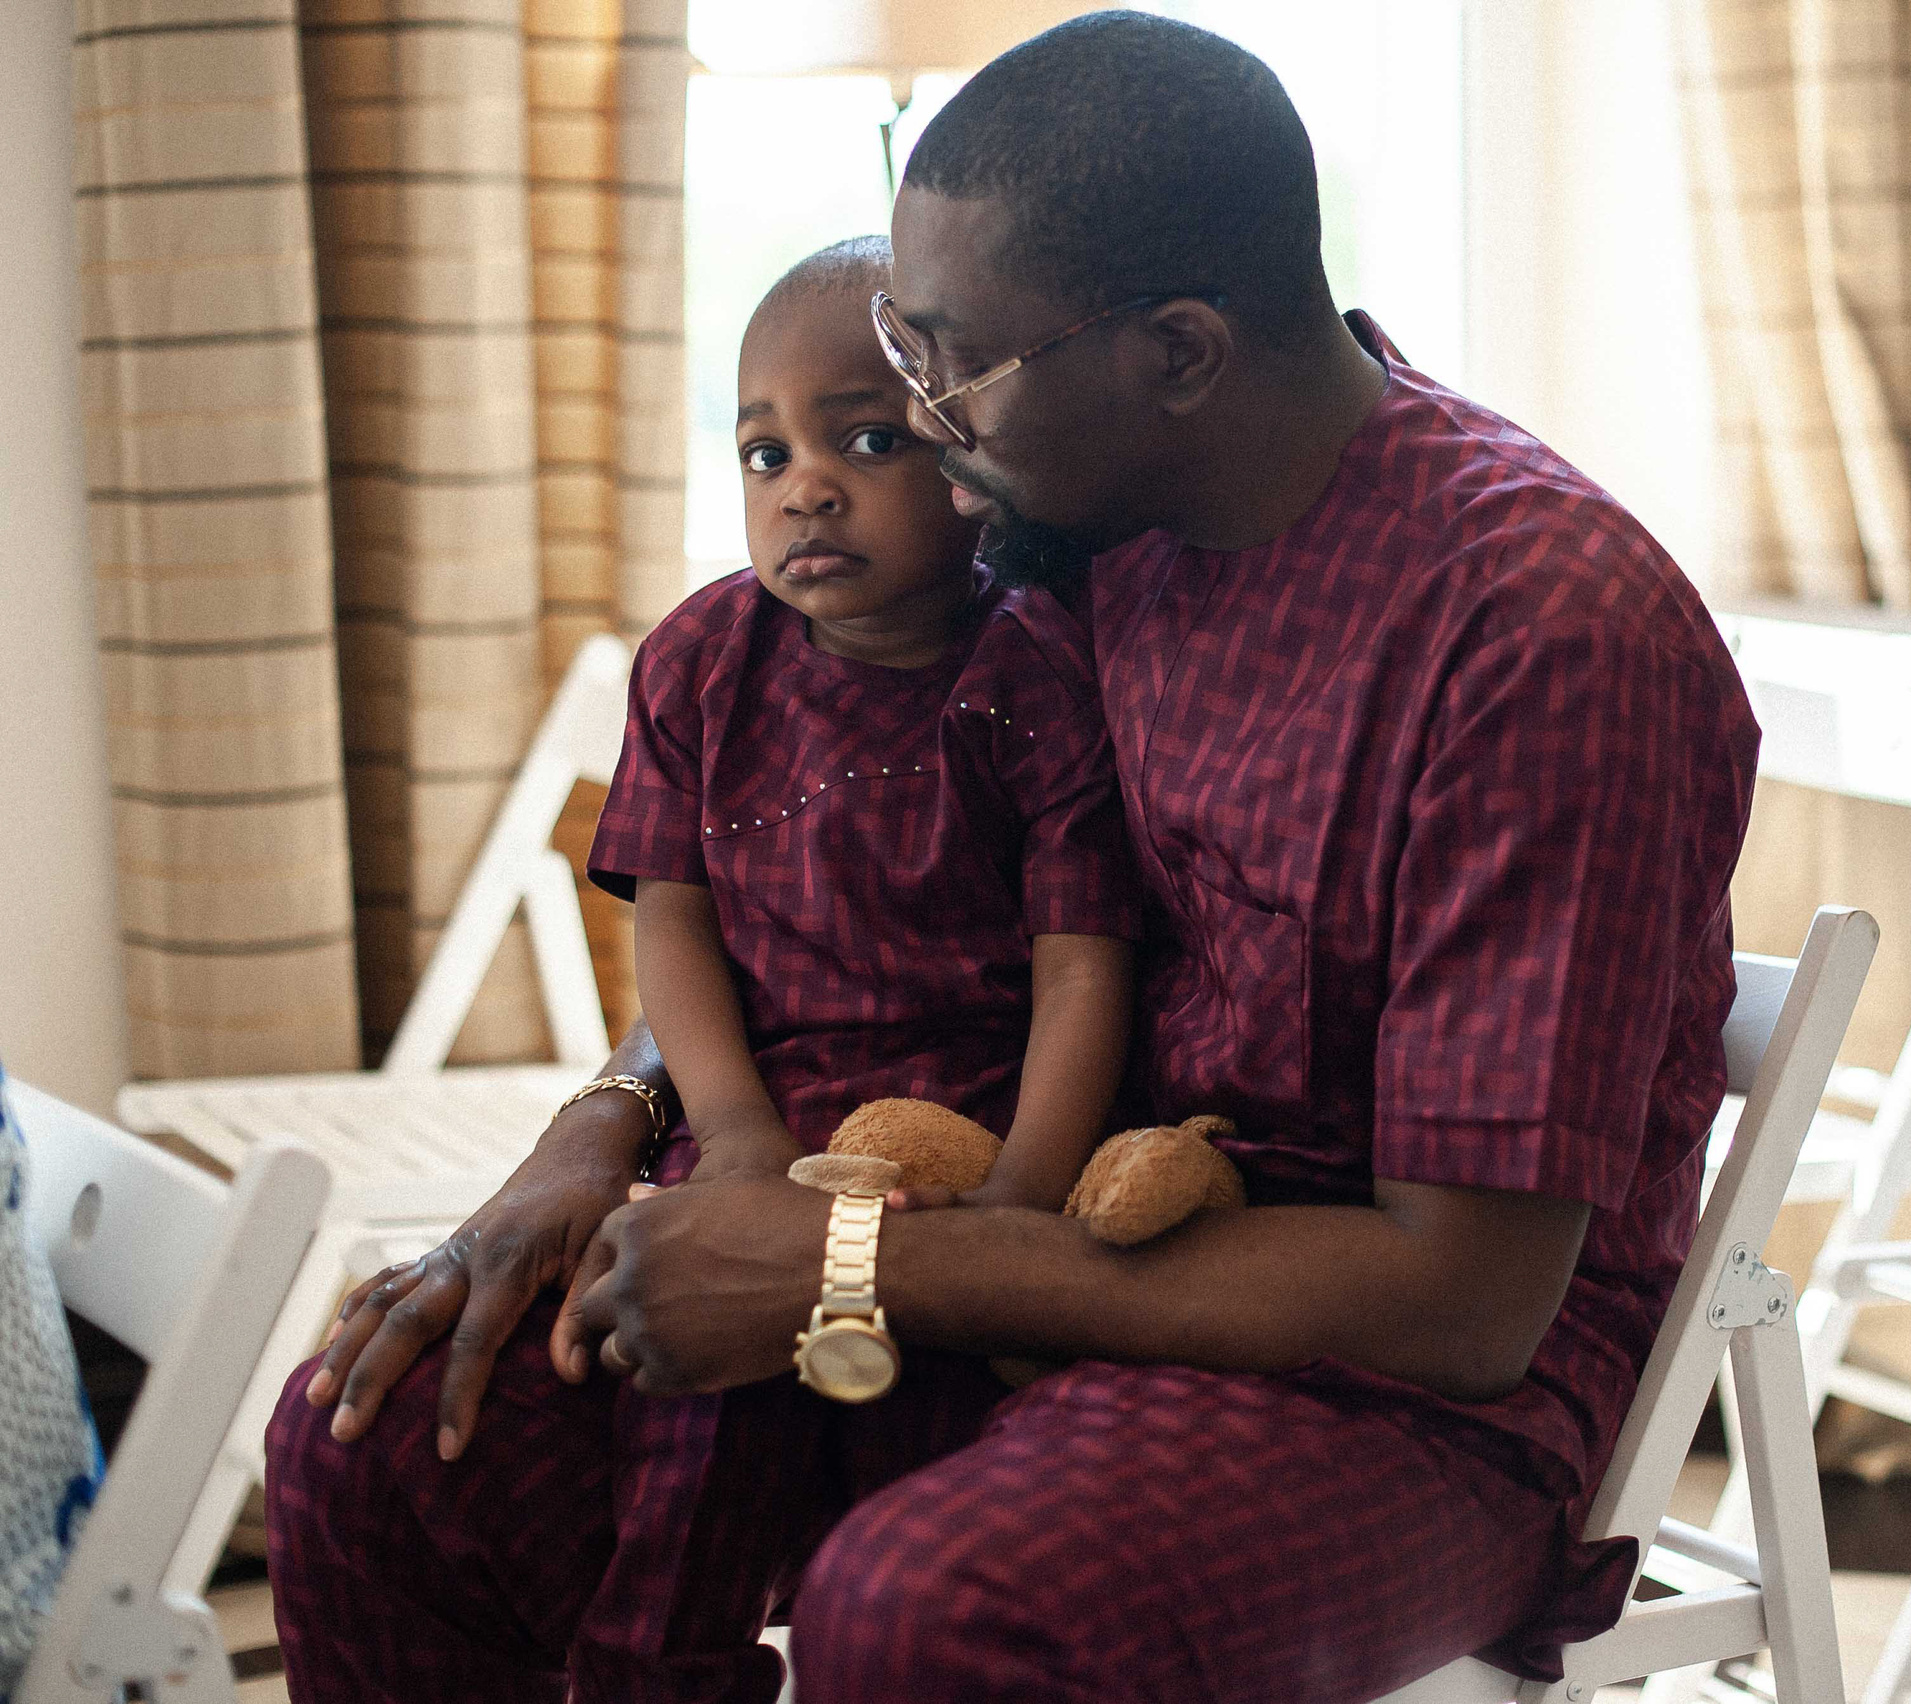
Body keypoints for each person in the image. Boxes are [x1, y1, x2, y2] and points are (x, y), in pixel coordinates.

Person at [266, 14, 1762, 1703]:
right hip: (1018, 1233)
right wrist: (601, 1124)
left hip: (1402, 1388)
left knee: (925, 1609)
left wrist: (849, 1263)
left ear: (1179, 351)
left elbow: (1460, 1297)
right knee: (372, 1443)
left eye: (948, 363)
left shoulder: (1537, 630)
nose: (919, 416)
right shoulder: (1067, 546)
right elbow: (798, 899)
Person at [595, 235, 1138, 1208]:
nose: (804, 489)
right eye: (767, 456)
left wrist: (1015, 1197)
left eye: (870, 442)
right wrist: (732, 1132)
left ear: (968, 455)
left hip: (971, 1133)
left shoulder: (1036, 670)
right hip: (753, 1114)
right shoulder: (695, 662)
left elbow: (1083, 969)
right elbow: (674, 924)